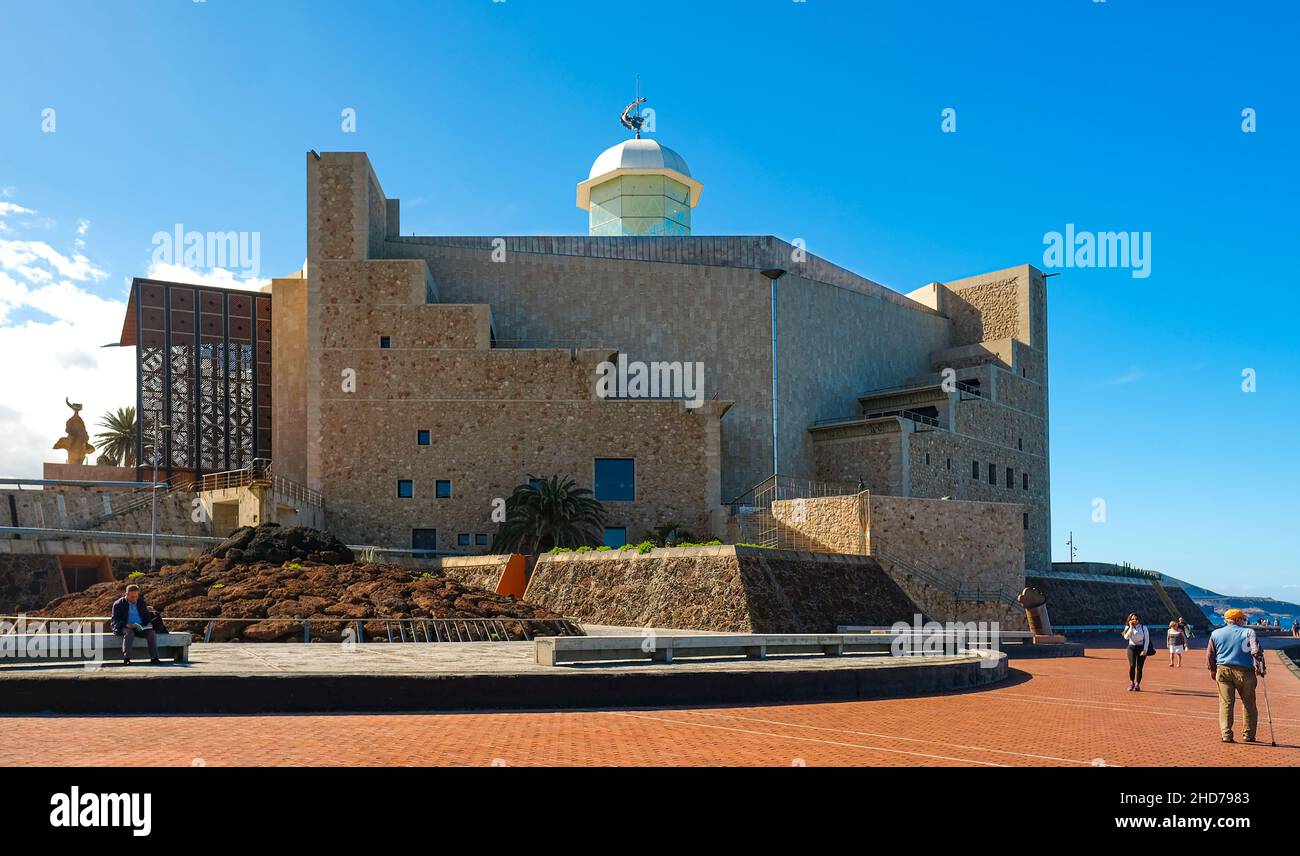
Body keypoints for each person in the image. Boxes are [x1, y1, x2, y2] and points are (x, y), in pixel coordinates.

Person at [1207, 608, 1265, 743]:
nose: (1244, 621)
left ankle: (1226, 734)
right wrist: (1260, 667)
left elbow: (1210, 654)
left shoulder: (1216, 633)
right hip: (1245, 671)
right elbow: (1256, 651)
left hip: (1223, 670)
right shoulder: (1248, 632)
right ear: (1238, 620)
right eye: (1243, 619)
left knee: (1226, 703)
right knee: (1248, 703)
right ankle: (1248, 734)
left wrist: (1212, 670)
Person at [110, 584, 162, 665]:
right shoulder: (118, 604)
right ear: (126, 594)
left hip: (140, 626)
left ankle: (154, 657)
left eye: (136, 596)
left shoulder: (141, 603)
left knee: (151, 633)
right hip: (125, 626)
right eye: (132, 596)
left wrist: (148, 624)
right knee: (129, 633)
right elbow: (115, 620)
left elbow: (146, 617)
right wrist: (126, 624)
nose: (134, 598)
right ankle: (127, 658)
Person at [1121, 613, 1151, 691]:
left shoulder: (1143, 627)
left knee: (1139, 667)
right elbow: (1126, 637)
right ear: (1129, 620)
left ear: (1138, 620)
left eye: (1136, 619)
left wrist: (1145, 650)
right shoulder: (1127, 627)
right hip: (1132, 647)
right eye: (1132, 619)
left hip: (1141, 648)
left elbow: (1147, 640)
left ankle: (1137, 684)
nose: (1134, 620)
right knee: (1132, 665)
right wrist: (1131, 627)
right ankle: (1132, 683)